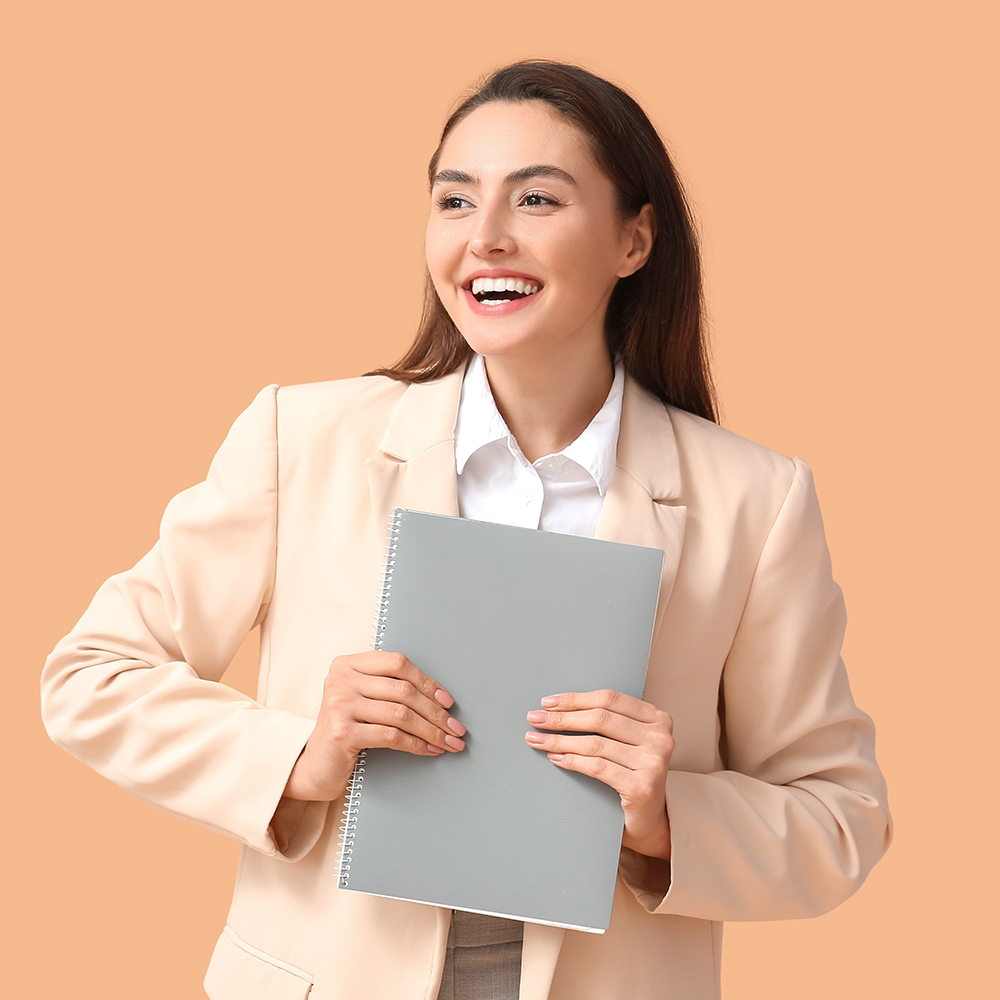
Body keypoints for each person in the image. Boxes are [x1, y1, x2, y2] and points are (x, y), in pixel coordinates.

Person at [40, 59, 893, 1000]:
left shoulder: (754, 500)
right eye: (455, 200)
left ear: (634, 239)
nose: (486, 239)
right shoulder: (304, 439)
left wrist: (664, 815)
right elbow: (90, 678)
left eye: (537, 200)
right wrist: (301, 754)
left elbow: (840, 817)